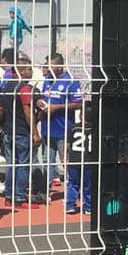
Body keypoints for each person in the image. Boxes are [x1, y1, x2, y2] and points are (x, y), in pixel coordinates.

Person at [0, 54, 39, 208]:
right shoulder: (25, 88)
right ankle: (20, 198)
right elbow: (28, 113)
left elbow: (0, 109)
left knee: (11, 164)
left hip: (8, 132)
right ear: (21, 71)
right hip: (21, 132)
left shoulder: (6, 86)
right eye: (29, 69)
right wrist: (35, 133)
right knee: (22, 164)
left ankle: (9, 196)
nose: (32, 72)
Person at [38, 54, 81, 201]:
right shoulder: (47, 80)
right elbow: (43, 98)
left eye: (51, 65)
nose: (48, 68)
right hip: (47, 129)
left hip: (64, 130)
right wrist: (40, 103)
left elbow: (78, 104)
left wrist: (57, 107)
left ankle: (72, 193)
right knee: (47, 161)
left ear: (59, 66)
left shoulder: (71, 81)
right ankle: (46, 192)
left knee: (66, 162)